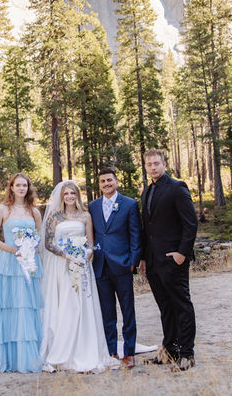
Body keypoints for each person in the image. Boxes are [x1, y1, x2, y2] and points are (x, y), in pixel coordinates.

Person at [39, 180, 118, 372]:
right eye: (66, 194)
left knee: (80, 304)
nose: (69, 197)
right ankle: (61, 349)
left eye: (72, 194)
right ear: (61, 196)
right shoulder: (55, 216)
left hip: (81, 266)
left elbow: (90, 243)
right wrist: (66, 255)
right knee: (64, 303)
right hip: (60, 265)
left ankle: (84, 348)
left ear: (77, 195)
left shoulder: (85, 216)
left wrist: (86, 255)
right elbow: (48, 242)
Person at [138, 149, 198, 370]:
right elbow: (147, 229)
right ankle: (170, 351)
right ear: (145, 167)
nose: (153, 167)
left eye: (156, 163)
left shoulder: (177, 188)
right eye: (149, 164)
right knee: (165, 307)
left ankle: (187, 353)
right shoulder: (147, 191)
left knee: (181, 304)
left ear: (164, 164)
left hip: (174, 259)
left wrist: (182, 253)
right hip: (153, 261)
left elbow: (190, 223)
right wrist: (144, 258)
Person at [0, 172, 44, 373]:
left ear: (28, 188)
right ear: (11, 187)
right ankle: (8, 359)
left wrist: (30, 250)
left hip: (28, 263)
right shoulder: (3, 209)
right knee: (9, 306)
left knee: (27, 307)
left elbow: (40, 241)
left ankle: (27, 358)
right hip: (9, 263)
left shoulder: (34, 212)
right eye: (17, 185)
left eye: (25, 185)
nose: (21, 188)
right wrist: (14, 250)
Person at [89, 166, 142, 368]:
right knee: (107, 311)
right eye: (102, 181)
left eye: (109, 180)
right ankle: (111, 351)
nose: (106, 184)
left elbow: (135, 235)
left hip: (122, 265)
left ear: (116, 181)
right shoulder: (93, 206)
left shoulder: (129, 204)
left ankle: (129, 352)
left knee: (128, 310)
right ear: (99, 184)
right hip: (100, 266)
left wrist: (133, 261)